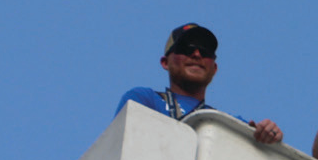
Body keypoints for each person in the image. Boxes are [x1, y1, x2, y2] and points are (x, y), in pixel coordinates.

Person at [116, 23, 283, 144]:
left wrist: (270, 134)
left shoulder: (225, 122)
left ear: (214, 68)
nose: (196, 54)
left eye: (205, 51)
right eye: (186, 48)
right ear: (165, 62)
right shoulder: (145, 99)